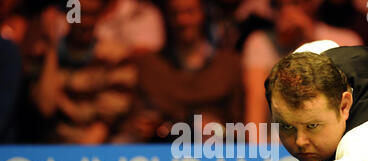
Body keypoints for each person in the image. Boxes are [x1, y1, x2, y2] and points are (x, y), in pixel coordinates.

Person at [113, 0, 244, 143]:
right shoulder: (150, 65)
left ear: (204, 13)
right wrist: (143, 126)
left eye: (190, 12)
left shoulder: (229, 65)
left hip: (218, 153)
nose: (182, 20)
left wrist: (218, 129)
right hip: (160, 151)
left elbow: (244, 127)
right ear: (166, 17)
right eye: (175, 13)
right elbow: (133, 121)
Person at [242, 0, 362, 133]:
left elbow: (350, 103)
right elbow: (255, 118)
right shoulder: (260, 42)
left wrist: (308, 35)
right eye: (280, 5)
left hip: (333, 140)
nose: (287, 11)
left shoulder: (346, 40)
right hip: (280, 144)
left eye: (295, 3)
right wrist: (257, 152)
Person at [28, 0, 138, 144]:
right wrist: (51, 50)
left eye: (92, 14)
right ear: (67, 15)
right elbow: (45, 108)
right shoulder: (44, 57)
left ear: (101, 15)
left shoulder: (116, 58)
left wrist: (79, 159)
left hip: (97, 148)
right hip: (54, 146)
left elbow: (104, 123)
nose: (85, 22)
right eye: (78, 14)